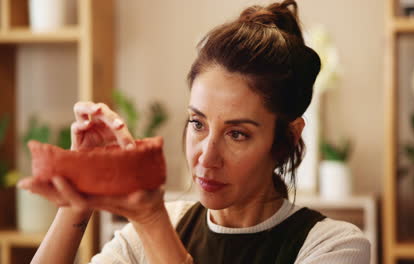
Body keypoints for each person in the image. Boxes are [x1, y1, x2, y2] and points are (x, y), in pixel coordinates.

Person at [18, 0, 370, 263]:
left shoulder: (332, 245)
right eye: (198, 124)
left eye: (237, 134)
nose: (206, 155)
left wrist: (151, 221)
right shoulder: (156, 229)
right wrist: (77, 199)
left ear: (286, 139)